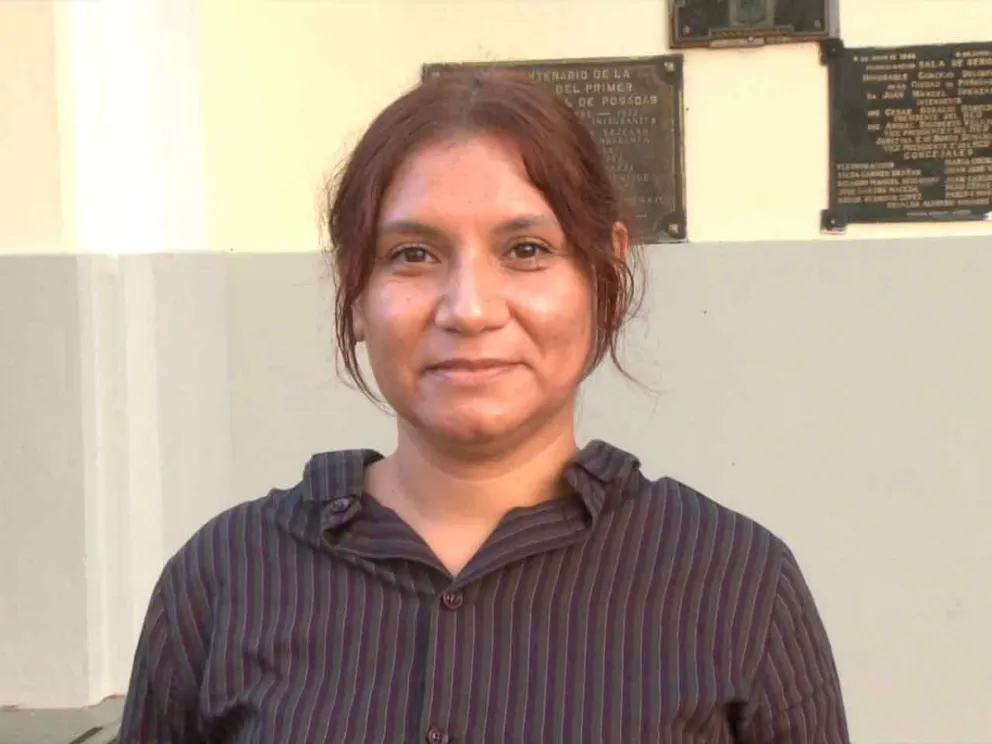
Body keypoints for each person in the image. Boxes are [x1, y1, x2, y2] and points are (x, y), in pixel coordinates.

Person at [119, 68, 850, 742]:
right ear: (355, 292)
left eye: (526, 249)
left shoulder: (736, 584)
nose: (469, 309)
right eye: (413, 254)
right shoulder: (223, 579)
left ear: (605, 274)